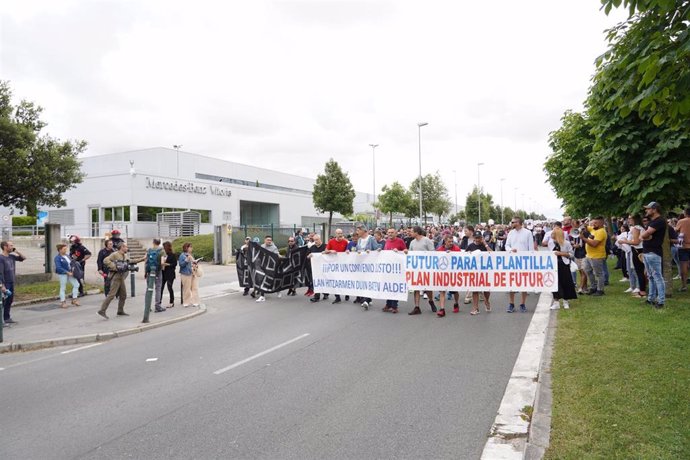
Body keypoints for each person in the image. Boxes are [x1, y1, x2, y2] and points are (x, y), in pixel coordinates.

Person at [99, 243, 144, 319]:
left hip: (121, 277)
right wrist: (114, 267)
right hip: (116, 277)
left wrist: (142, 259)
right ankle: (102, 311)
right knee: (111, 295)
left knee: (123, 295)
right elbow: (105, 260)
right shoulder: (115, 254)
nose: (127, 248)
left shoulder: (125, 255)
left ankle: (120, 311)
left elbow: (131, 261)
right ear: (122, 247)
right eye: (126, 247)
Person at [505, 216, 537, 313]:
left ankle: (522, 303)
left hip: (524, 261)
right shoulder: (511, 233)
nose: (511, 223)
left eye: (513, 222)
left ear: (518, 222)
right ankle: (511, 303)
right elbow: (507, 245)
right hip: (513, 261)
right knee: (511, 282)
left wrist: (530, 261)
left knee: (524, 283)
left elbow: (531, 248)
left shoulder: (527, 233)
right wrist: (510, 250)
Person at [405, 226, 437, 315]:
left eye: (411, 231)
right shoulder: (412, 242)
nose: (409, 233)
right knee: (416, 287)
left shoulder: (426, 240)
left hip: (426, 268)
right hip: (416, 268)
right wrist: (406, 252)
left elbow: (433, 252)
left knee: (428, 287)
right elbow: (410, 253)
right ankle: (417, 307)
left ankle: (431, 301)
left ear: (417, 232)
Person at [640, 202, 667, 308]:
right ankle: (651, 298)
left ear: (654, 209)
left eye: (648, 209)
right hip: (648, 252)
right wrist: (645, 236)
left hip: (653, 252)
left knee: (657, 277)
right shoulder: (654, 221)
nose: (646, 211)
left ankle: (661, 301)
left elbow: (644, 235)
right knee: (651, 277)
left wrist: (645, 236)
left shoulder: (659, 221)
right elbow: (645, 236)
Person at [548, 227, 578, 310]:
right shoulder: (551, 243)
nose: (552, 235)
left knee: (565, 282)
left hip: (564, 265)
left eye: (554, 233)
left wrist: (561, 253)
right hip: (553, 265)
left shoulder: (566, 243)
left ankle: (565, 301)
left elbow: (571, 254)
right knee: (554, 283)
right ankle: (556, 302)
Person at [466, 231, 493, 315]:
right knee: (475, 290)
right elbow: (464, 256)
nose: (477, 239)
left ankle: (487, 301)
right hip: (474, 271)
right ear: (474, 238)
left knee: (486, 290)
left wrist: (485, 243)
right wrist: (468, 254)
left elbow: (492, 254)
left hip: (485, 271)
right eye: (476, 238)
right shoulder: (471, 246)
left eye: (479, 238)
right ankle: (475, 308)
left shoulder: (485, 245)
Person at [381, 228, 407, 313]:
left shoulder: (400, 241)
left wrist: (399, 251)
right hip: (388, 269)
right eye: (389, 232)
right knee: (388, 287)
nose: (390, 234)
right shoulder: (387, 241)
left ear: (396, 233)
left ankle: (394, 306)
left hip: (397, 269)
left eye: (392, 232)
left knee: (395, 287)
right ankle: (388, 304)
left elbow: (405, 251)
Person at [581, 216, 608, 296]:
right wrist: (584, 224)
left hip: (597, 256)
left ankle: (600, 290)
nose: (593, 224)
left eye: (596, 223)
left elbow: (594, 244)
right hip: (589, 255)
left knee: (599, 273)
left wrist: (583, 238)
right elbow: (586, 227)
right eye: (593, 222)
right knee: (588, 271)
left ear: (601, 223)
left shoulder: (601, 232)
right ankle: (593, 287)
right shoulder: (594, 229)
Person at [0, 241, 26, 325]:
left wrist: (16, 251)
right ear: (5, 247)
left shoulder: (11, 256)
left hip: (11, 282)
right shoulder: (1, 258)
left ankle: (6, 318)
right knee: (3, 302)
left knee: (9, 301)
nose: (12, 247)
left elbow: (23, 258)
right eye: (10, 245)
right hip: (5, 283)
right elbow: (0, 272)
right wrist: (2, 285)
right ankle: (1, 321)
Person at [435, 234, 461, 317]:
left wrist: (452, 254)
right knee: (442, 291)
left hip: (453, 273)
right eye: (449, 241)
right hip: (443, 274)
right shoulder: (439, 249)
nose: (451, 243)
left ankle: (456, 303)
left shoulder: (456, 249)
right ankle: (442, 309)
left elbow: (461, 259)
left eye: (452, 241)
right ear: (445, 241)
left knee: (454, 291)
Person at [354, 225, 378, 310]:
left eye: (358, 230)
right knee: (363, 281)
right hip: (361, 264)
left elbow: (377, 248)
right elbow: (357, 249)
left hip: (369, 264)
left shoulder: (371, 238)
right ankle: (368, 299)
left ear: (363, 231)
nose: (357, 232)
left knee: (368, 281)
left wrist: (371, 252)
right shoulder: (359, 240)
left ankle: (365, 300)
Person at [324, 229, 349, 304]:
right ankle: (337, 297)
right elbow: (325, 250)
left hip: (343, 265)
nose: (340, 234)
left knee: (344, 280)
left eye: (341, 233)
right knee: (335, 281)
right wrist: (331, 251)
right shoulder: (331, 241)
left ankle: (347, 293)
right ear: (335, 234)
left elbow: (348, 250)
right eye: (338, 233)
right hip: (334, 265)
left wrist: (347, 251)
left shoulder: (345, 241)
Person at [54, 243, 80, 308]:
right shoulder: (57, 258)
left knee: (76, 284)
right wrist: (67, 272)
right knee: (63, 288)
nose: (65, 250)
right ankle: (63, 302)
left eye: (66, 249)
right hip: (63, 274)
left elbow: (71, 263)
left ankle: (74, 299)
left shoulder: (67, 256)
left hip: (71, 273)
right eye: (64, 249)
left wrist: (74, 260)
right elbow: (58, 268)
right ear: (60, 250)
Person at [255, 235, 280, 302]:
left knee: (271, 280)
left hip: (270, 267)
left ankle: (277, 290)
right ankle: (262, 296)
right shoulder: (262, 246)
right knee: (261, 279)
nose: (269, 241)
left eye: (270, 240)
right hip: (262, 266)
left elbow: (277, 255)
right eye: (268, 240)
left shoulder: (274, 247)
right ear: (264, 240)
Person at [145, 238, 166, 312]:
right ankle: (157, 306)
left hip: (149, 271)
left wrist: (145, 272)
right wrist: (163, 267)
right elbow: (162, 262)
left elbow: (146, 261)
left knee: (149, 288)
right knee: (158, 288)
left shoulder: (149, 250)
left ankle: (147, 306)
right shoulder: (162, 251)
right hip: (157, 271)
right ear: (159, 243)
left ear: (153, 242)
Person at [179, 242, 201, 308]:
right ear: (186, 248)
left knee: (195, 288)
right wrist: (186, 260)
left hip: (193, 273)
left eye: (191, 247)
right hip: (185, 274)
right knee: (187, 288)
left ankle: (195, 301)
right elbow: (181, 264)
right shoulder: (182, 255)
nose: (192, 248)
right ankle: (186, 302)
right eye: (190, 247)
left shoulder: (191, 255)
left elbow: (192, 263)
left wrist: (195, 263)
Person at [307, 234, 326, 302]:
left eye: (317, 240)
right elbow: (307, 256)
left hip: (324, 268)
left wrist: (326, 253)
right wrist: (309, 256)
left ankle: (326, 293)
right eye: (314, 240)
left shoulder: (325, 246)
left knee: (324, 281)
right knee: (316, 282)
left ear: (320, 239)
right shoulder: (312, 247)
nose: (316, 241)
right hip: (315, 268)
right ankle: (316, 296)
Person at [675, 208, 690, 292]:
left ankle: (684, 285)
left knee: (683, 266)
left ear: (685, 213)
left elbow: (676, 230)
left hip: (683, 246)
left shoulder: (682, 221)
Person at [161, 241, 177, 308]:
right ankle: (158, 302)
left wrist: (167, 264)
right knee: (161, 287)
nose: (163, 249)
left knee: (169, 287)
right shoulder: (163, 255)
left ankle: (171, 302)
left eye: (164, 247)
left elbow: (175, 264)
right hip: (163, 273)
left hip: (170, 273)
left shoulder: (172, 255)